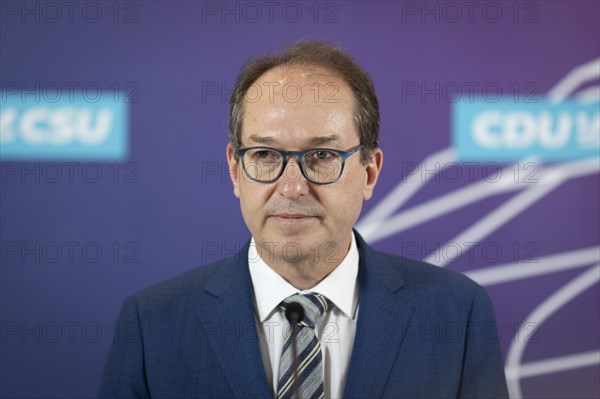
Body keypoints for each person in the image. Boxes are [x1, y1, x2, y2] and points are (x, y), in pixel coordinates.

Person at [99, 41, 509, 399]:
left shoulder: (457, 315)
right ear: (234, 170)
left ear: (369, 172)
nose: (292, 186)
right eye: (264, 155)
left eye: (322, 156)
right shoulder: (152, 326)